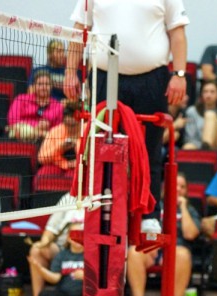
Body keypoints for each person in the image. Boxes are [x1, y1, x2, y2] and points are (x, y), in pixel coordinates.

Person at [65, 0, 189, 233]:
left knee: (150, 148)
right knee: (101, 149)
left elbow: (178, 32)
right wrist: (70, 71)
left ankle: (149, 214)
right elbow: (79, 29)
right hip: (104, 77)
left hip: (152, 79)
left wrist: (180, 74)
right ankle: (101, 210)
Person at [127, 172, 201, 296]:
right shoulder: (154, 206)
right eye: (174, 185)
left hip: (176, 250)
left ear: (186, 191)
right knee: (134, 251)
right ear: (164, 188)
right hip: (153, 248)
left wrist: (183, 207)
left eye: (182, 187)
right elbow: (139, 229)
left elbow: (190, 234)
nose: (178, 189)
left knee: (183, 254)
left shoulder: (190, 210)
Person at [20, 193, 84, 296]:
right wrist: (44, 242)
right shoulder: (68, 198)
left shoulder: (102, 199)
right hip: (63, 247)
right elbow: (50, 229)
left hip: (89, 251)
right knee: (37, 250)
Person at [33, 222, 84, 296]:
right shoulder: (61, 255)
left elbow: (100, 279)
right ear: (68, 237)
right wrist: (40, 268)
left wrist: (86, 276)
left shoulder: (92, 255)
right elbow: (55, 278)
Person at [7, 69, 64, 141]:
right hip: (20, 135)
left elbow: (58, 129)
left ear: (51, 87)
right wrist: (36, 126)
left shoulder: (58, 106)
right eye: (40, 84)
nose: (43, 87)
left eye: (46, 84)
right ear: (34, 86)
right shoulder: (21, 99)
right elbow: (13, 120)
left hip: (46, 140)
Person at [183, 80, 217, 150]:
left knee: (210, 115)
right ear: (201, 95)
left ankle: (207, 146)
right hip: (199, 145)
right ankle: (206, 147)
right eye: (205, 92)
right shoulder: (192, 111)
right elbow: (190, 138)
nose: (208, 95)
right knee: (187, 147)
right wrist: (201, 145)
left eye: (212, 92)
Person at [36, 105, 81, 179]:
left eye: (73, 125)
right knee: (43, 175)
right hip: (57, 165)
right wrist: (60, 148)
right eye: (67, 124)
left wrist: (76, 144)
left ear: (80, 123)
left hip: (78, 167)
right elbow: (41, 158)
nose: (70, 128)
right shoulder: (55, 131)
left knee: (74, 177)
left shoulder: (86, 132)